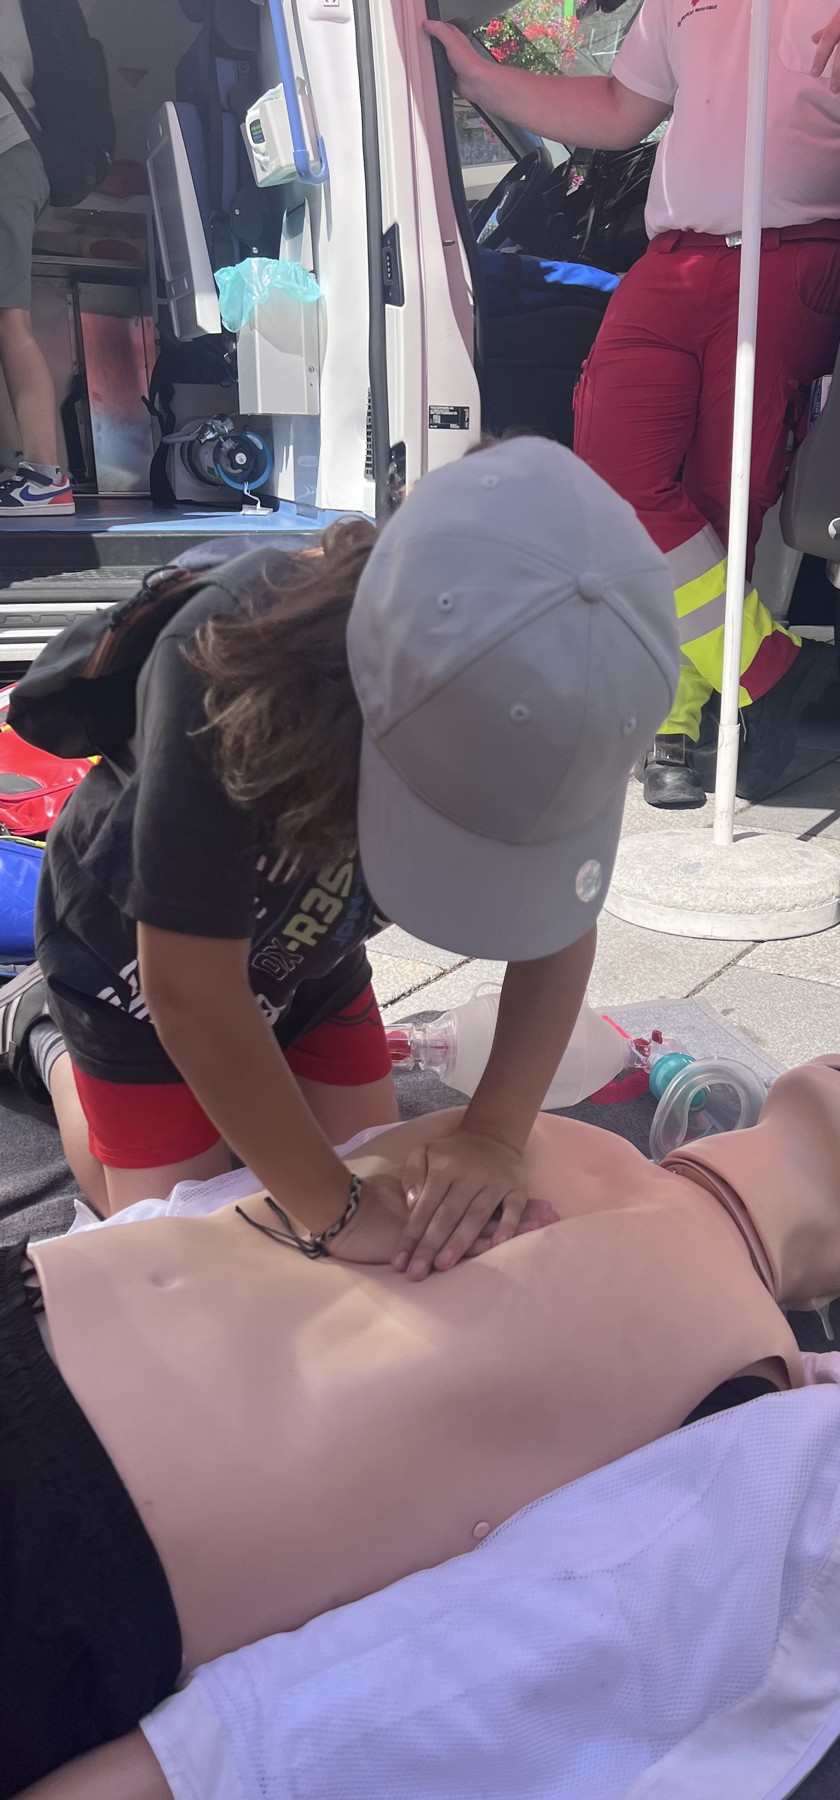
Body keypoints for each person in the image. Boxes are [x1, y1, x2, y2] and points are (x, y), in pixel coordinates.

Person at [1, 1050, 840, 1794]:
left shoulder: (747, 1388)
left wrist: (162, 1776)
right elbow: (239, 1208)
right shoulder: (556, 1130)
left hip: (73, 1542)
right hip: (37, 1295)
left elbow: (509, 1639)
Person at [0, 437, 680, 1278]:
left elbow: (561, 929)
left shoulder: (575, 697)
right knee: (180, 1233)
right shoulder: (226, 663)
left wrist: (496, 1136)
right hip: (133, 970)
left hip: (310, 957)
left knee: (371, 1158)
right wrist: (335, 1210)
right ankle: (44, 1038)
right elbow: (192, 995)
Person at [427, 0, 840, 807]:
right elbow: (619, 109)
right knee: (611, 480)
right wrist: (479, 77)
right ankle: (768, 667)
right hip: (674, 257)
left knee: (724, 495)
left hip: (798, 250)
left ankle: (675, 723)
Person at [0, 0, 73, 513]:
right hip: (19, 157)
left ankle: (45, 476)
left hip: (7, 159)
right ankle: (14, 466)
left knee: (11, 320)